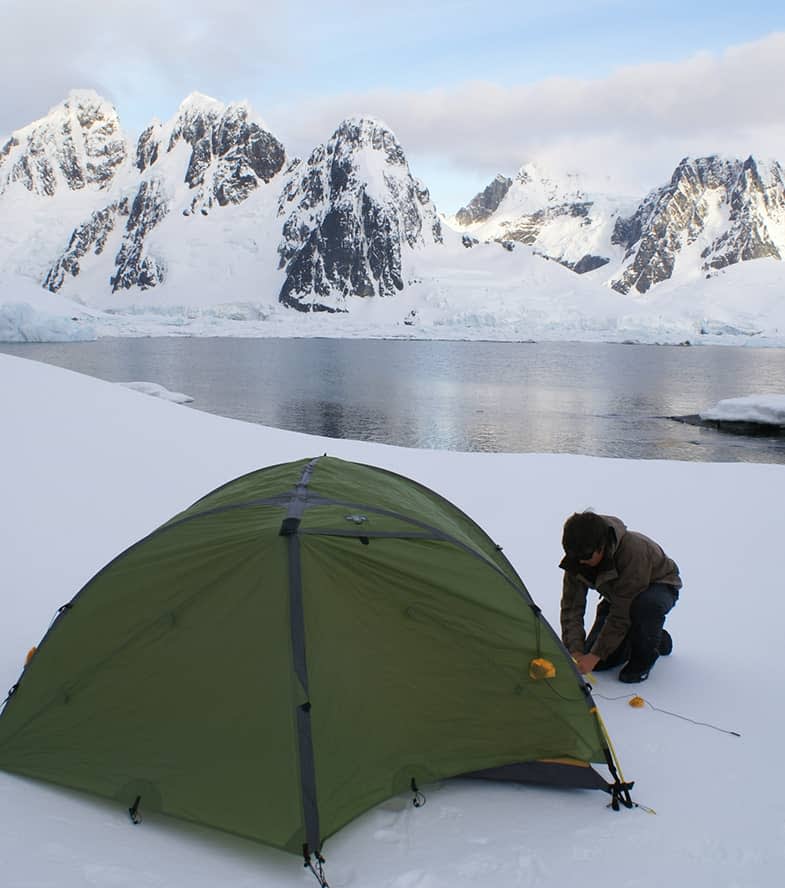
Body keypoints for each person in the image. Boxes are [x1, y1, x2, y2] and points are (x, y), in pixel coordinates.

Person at [559, 511, 681, 683]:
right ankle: (651, 636)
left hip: (658, 586)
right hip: (618, 596)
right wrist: (575, 651)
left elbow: (621, 613)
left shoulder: (633, 552)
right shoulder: (578, 555)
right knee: (600, 663)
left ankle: (646, 652)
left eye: (586, 557)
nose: (580, 562)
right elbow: (572, 607)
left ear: (602, 546)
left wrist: (595, 655)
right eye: (575, 557)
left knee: (644, 607)